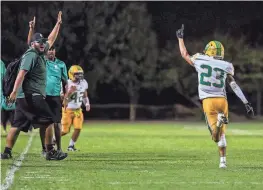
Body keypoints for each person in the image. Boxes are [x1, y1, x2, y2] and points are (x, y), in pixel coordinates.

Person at [176, 24, 254, 168]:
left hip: (208, 101)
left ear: (208, 51)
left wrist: (180, 38)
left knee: (215, 136)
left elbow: (184, 54)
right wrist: (246, 102)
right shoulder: (227, 65)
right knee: (222, 136)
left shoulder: (200, 59)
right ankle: (222, 162)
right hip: (222, 101)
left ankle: (218, 122)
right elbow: (233, 85)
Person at [1, 11, 67, 161]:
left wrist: (58, 24)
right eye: (39, 42)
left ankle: (6, 152)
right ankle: (50, 152)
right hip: (31, 96)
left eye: (43, 42)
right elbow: (21, 74)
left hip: (24, 98)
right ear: (32, 44)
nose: (43, 44)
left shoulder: (40, 53)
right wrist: (13, 92)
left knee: (16, 125)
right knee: (50, 120)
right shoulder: (31, 55)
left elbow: (51, 38)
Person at [27, 17, 68, 156]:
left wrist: (58, 24)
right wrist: (31, 29)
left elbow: (51, 38)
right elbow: (31, 43)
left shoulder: (59, 63)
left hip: (55, 96)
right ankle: (47, 149)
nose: (48, 48)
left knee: (54, 122)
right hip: (41, 95)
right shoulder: (38, 56)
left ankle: (55, 149)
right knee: (45, 123)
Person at [61, 65, 90, 151]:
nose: (79, 76)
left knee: (78, 128)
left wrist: (87, 103)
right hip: (67, 110)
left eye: (80, 74)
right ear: (71, 74)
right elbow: (62, 100)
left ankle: (71, 146)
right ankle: (53, 140)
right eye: (77, 74)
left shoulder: (83, 82)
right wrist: (69, 92)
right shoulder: (66, 83)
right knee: (65, 131)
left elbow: (84, 93)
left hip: (78, 110)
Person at [1, 60, 15, 136]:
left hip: (12, 98)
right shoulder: (5, 78)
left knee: (12, 115)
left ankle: (12, 129)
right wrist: (5, 95)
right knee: (4, 115)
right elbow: (3, 86)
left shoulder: (13, 78)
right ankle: (4, 129)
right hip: (5, 97)